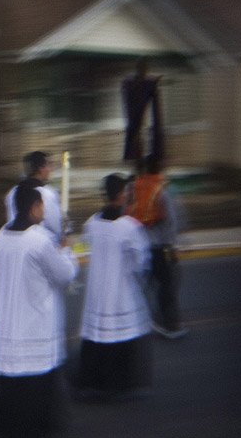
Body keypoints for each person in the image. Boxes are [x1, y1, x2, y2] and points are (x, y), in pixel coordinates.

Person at [0, 182, 79, 438]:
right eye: (41, 205)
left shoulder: (2, 236)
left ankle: (7, 427)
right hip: (33, 320)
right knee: (34, 379)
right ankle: (31, 429)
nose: (44, 210)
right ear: (33, 208)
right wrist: (66, 250)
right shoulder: (39, 240)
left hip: (8, 319)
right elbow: (64, 274)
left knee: (12, 381)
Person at [75, 174, 153, 400]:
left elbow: (88, 243)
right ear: (121, 194)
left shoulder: (92, 223)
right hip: (120, 291)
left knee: (97, 335)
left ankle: (91, 381)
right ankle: (117, 385)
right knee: (121, 335)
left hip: (97, 292)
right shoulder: (129, 227)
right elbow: (141, 260)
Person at [128, 155, 187, 339]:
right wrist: (173, 248)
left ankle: (133, 320)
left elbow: (126, 213)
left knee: (138, 284)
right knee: (166, 285)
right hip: (156, 246)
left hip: (138, 244)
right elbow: (170, 222)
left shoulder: (134, 187)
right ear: (159, 168)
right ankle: (170, 326)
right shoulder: (162, 190)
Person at [4, 151, 62, 243]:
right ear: (40, 168)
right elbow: (55, 227)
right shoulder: (47, 193)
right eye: (48, 165)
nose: (49, 169)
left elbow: (10, 221)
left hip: (16, 241)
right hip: (41, 244)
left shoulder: (12, 192)